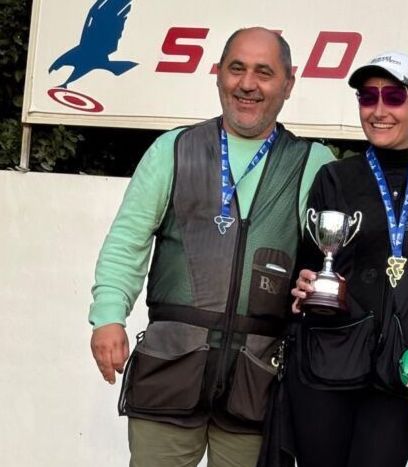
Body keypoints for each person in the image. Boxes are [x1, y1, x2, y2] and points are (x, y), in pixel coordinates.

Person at [87, 27, 337, 466]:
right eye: (237, 69)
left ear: (288, 83)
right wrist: (108, 316)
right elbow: (127, 240)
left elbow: (331, 263)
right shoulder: (174, 148)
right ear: (218, 73)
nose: (247, 84)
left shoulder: (314, 162)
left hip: (257, 382)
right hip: (169, 371)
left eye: (264, 73)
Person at [287, 51, 408, 467]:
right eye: (368, 97)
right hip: (327, 362)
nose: (379, 110)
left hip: (399, 370)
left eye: (394, 96)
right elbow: (309, 271)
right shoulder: (336, 177)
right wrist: (303, 287)